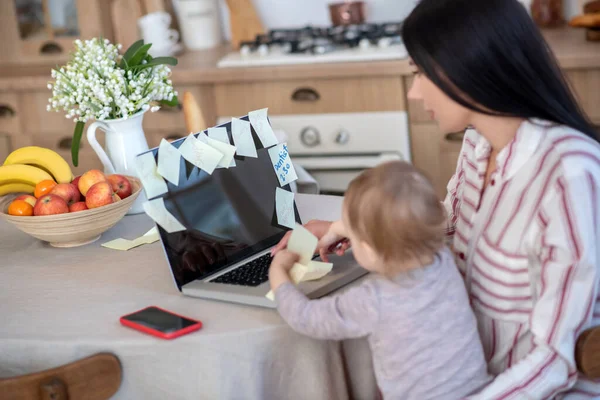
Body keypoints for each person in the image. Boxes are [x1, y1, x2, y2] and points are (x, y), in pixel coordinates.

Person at [272, 0, 600, 397]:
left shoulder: (569, 175)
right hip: (462, 376)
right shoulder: (479, 143)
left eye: (419, 73)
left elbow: (556, 360)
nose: (413, 92)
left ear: (464, 68)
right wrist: (351, 225)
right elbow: (451, 223)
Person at [269, 161, 491, 399]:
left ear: (370, 250)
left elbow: (306, 318)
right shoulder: (443, 260)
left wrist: (279, 272)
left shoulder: (375, 299)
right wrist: (349, 229)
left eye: (352, 233)